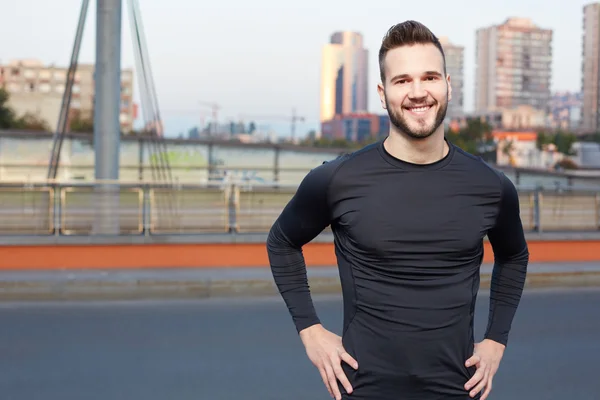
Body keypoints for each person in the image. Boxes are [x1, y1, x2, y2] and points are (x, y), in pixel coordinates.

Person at [266, 20, 529, 400]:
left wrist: (496, 341)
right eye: (403, 80)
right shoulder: (337, 179)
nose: (418, 92)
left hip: (456, 389)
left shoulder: (491, 186)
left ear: (448, 85)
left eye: (430, 77)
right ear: (382, 91)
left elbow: (515, 256)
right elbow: (282, 242)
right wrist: (310, 330)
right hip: (363, 389)